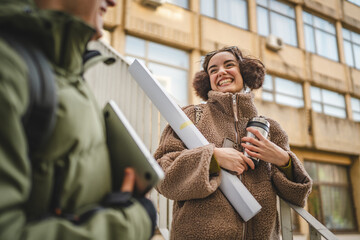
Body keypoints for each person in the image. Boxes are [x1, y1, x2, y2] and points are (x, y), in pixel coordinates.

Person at [0, 0, 156, 239]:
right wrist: (130, 222)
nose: (113, 2)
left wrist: (115, 201)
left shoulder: (63, 71)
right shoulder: (9, 69)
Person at [154, 46, 312, 240]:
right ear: (208, 81)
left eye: (229, 65)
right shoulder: (190, 118)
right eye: (213, 70)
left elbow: (298, 196)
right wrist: (213, 158)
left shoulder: (272, 128)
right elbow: (161, 174)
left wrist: (283, 160)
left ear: (244, 72)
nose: (221, 72)